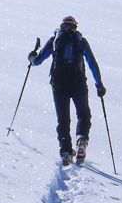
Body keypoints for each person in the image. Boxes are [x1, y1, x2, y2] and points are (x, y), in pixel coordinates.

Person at [28, 16, 106, 165]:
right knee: (84, 115)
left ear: (62, 26)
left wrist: (31, 57)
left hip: (59, 84)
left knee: (63, 119)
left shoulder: (55, 40)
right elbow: (92, 63)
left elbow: (37, 61)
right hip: (78, 84)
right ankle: (81, 139)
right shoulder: (81, 41)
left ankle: (66, 152)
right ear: (75, 27)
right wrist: (99, 85)